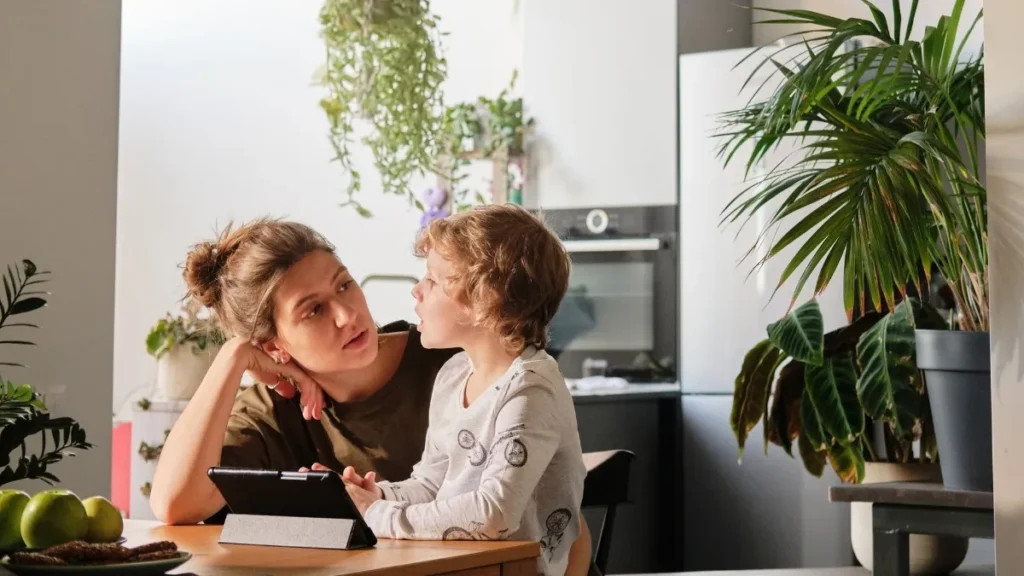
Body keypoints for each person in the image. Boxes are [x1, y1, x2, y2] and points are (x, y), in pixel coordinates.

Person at [148, 217, 593, 574]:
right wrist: (233, 357)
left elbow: (557, 520)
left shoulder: (453, 357)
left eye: (344, 284)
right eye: (314, 310)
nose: (347, 314)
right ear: (274, 346)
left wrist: (369, 512)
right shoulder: (271, 412)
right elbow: (174, 505)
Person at [340, 205, 586, 576]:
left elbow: (494, 515)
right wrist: (377, 497)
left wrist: (378, 515)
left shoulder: (530, 389)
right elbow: (431, 483)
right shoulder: (455, 374)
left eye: (433, 281)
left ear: (486, 301)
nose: (417, 291)